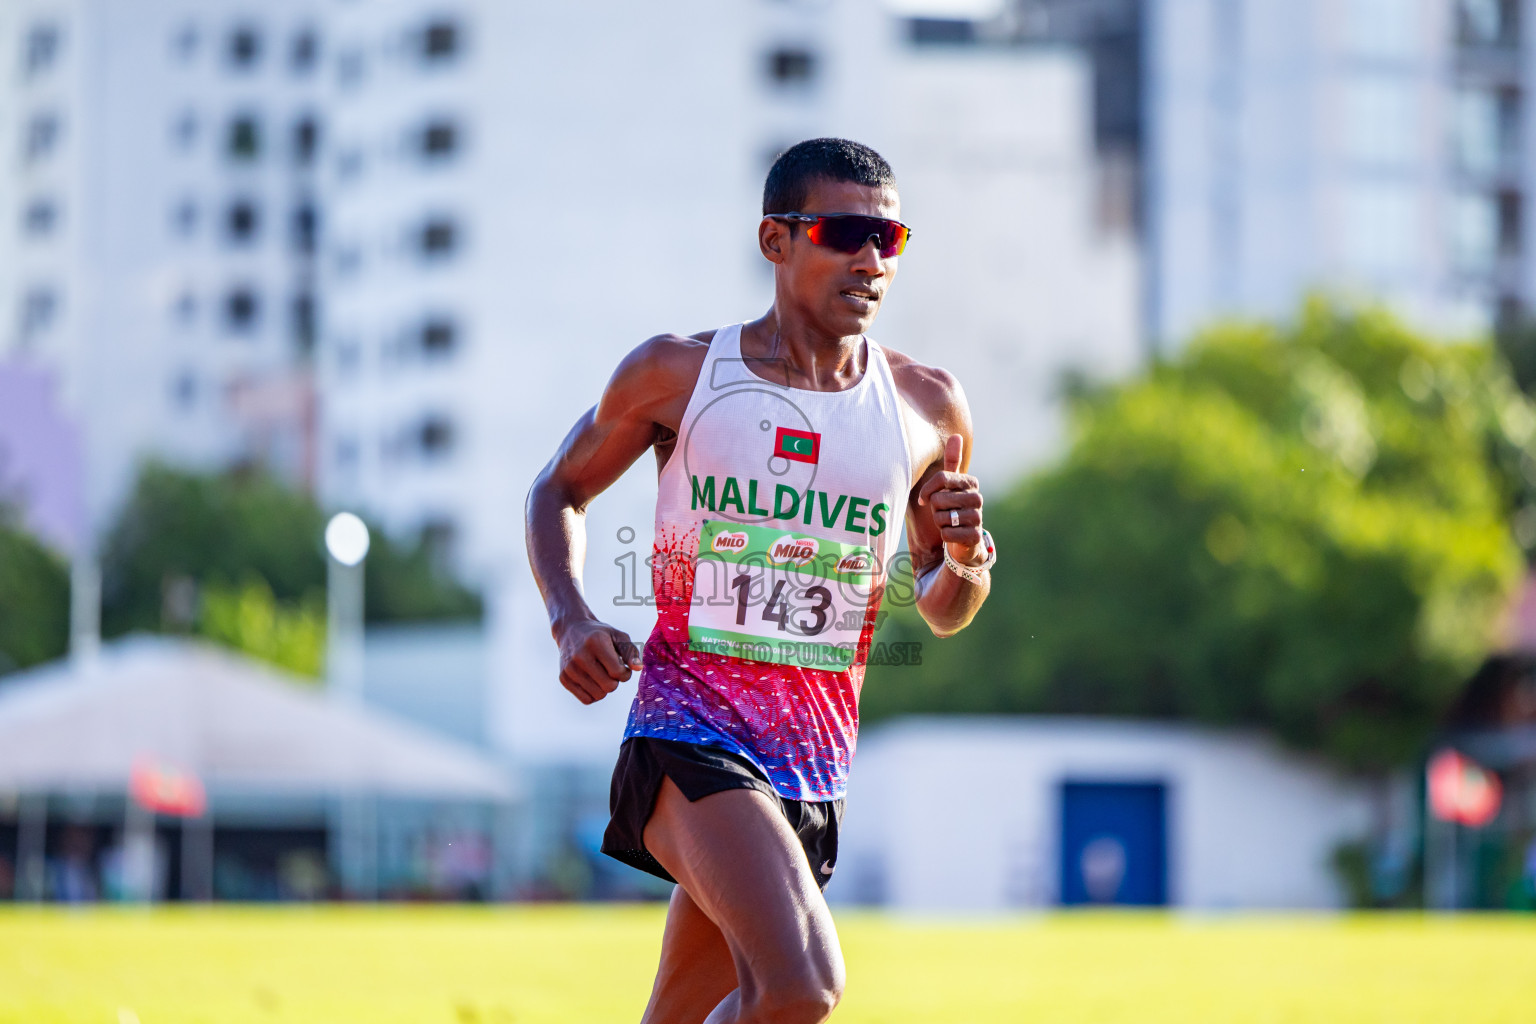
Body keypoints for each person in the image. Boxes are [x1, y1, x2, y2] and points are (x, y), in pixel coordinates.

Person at [526, 138, 994, 1023]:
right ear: (775, 241)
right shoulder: (680, 373)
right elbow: (559, 488)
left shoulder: (929, 407)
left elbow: (942, 609)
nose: (870, 257)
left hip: (814, 767)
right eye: (844, 231)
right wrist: (570, 619)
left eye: (889, 239)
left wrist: (968, 558)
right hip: (688, 730)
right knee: (802, 988)